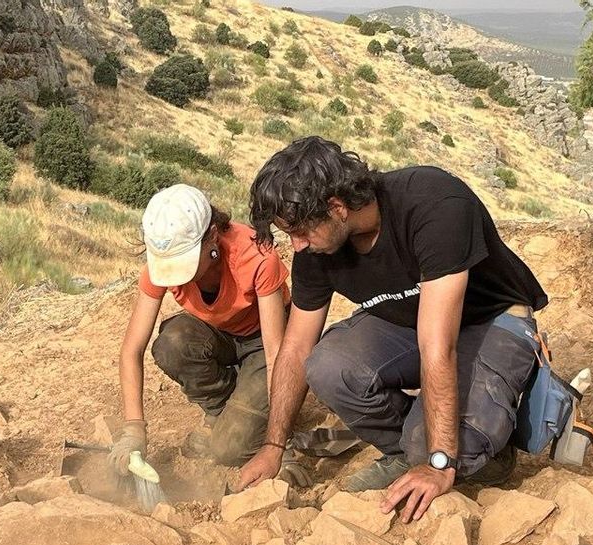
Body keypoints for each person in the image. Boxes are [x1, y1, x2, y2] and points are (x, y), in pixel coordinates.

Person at [236, 137, 548, 522]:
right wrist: (273, 445)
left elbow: (438, 346)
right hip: (409, 323)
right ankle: (407, 453)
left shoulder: (434, 203)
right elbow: (297, 346)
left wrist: (439, 460)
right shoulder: (317, 248)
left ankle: (473, 454)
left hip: (491, 320)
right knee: (329, 364)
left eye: (300, 231)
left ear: (336, 208)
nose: (296, 246)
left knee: (440, 450)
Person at [109, 184, 306, 483]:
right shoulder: (159, 264)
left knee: (228, 449)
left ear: (212, 235)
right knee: (173, 342)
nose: (175, 276)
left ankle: (257, 415)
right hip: (221, 334)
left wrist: (279, 443)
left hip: (263, 341)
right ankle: (221, 411)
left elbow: (275, 352)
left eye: (183, 265)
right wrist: (133, 431)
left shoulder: (255, 256)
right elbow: (131, 349)